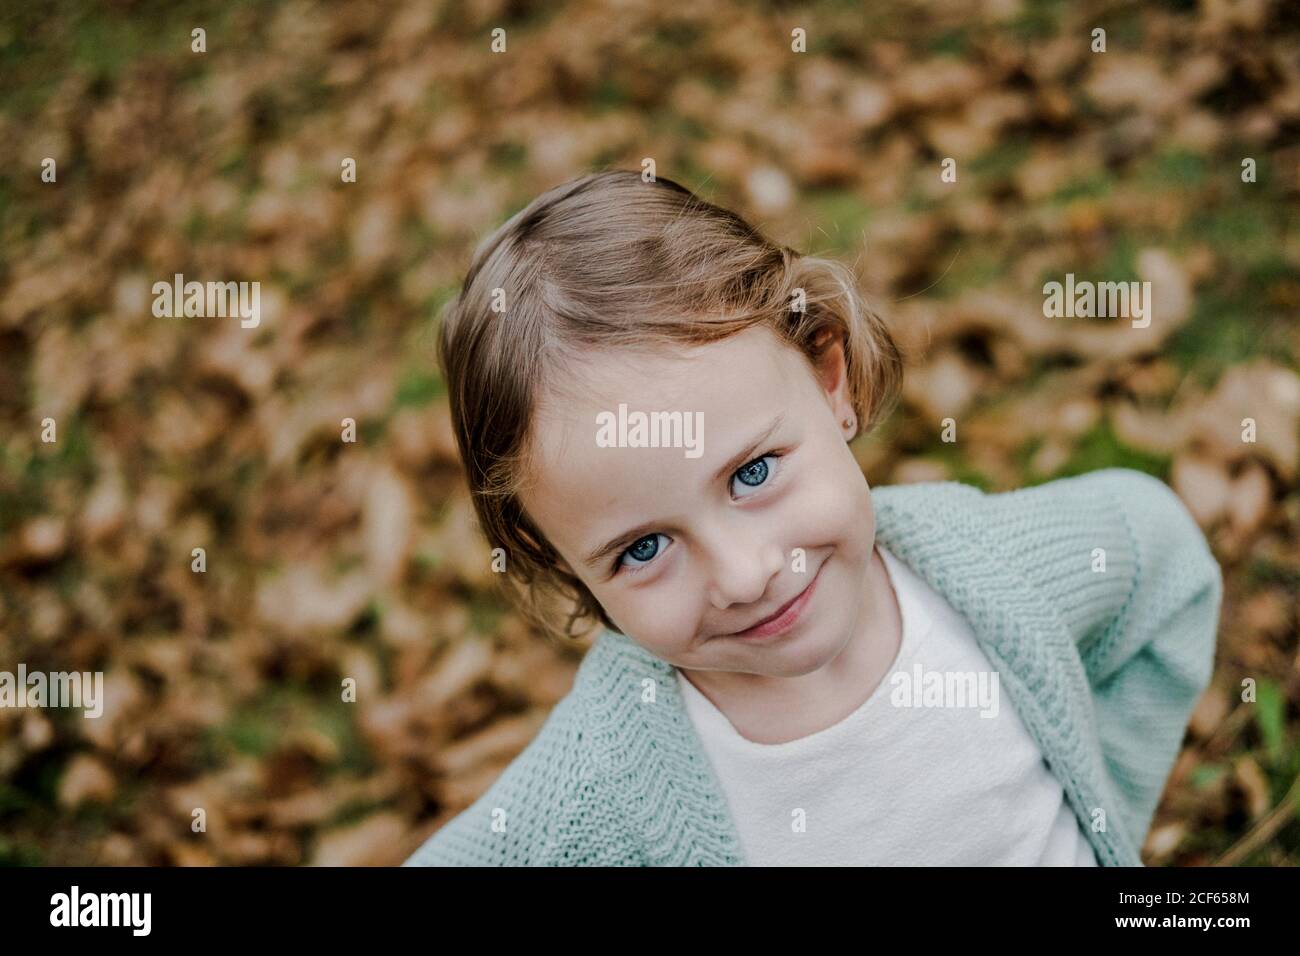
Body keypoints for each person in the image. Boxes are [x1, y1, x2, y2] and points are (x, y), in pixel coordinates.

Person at [403, 169, 1222, 866]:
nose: (745, 574)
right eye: (645, 547)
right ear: (556, 559)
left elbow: (1164, 563)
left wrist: (1102, 817)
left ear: (829, 379)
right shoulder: (612, 770)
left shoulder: (995, 571)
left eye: (753, 473)